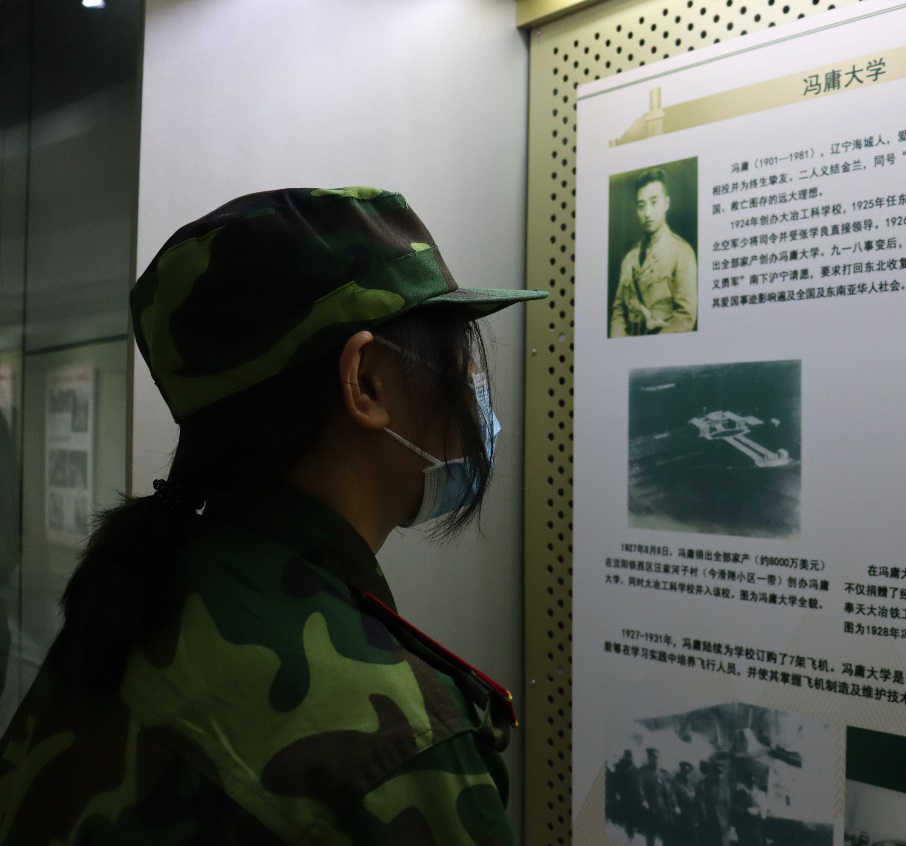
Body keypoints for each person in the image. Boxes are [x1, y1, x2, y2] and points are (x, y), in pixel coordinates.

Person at [0, 187, 546, 844]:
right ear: (367, 381)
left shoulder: (136, 602)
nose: (472, 386)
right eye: (459, 356)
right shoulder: (395, 748)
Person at [609, 168, 697, 337]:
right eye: (641, 206)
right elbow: (618, 313)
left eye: (654, 202)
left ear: (667, 203)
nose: (647, 213)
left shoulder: (682, 252)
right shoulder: (629, 259)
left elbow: (685, 317)